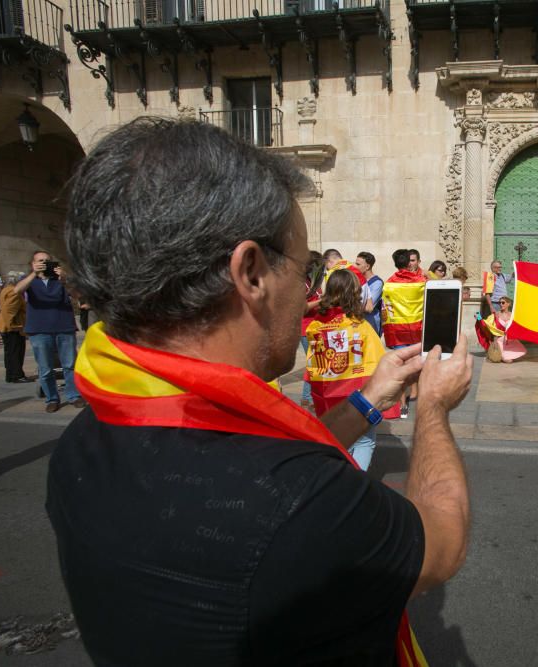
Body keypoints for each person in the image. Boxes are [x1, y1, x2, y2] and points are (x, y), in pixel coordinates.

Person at [48, 118, 473, 666]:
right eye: (304, 269)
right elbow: (443, 542)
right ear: (250, 273)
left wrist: (370, 397)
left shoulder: (86, 438)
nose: (311, 291)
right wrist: (434, 409)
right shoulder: (303, 503)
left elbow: (269, 453)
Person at [306, 269, 390, 470]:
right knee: (363, 441)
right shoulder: (360, 326)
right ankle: (354, 482)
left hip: (327, 397)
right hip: (356, 397)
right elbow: (379, 362)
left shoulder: (315, 326)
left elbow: (312, 364)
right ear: (354, 293)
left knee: (334, 440)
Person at [14, 251, 84, 412]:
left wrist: (65, 280)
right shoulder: (29, 281)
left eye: (47, 261)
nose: (44, 263)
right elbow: (16, 291)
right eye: (40, 261)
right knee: (45, 368)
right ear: (32, 263)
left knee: (70, 365)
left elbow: (78, 296)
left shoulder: (60, 280)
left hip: (64, 327)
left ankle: (74, 395)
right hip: (39, 330)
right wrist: (34, 274)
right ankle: (52, 398)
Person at [382, 248, 427, 419]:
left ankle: (403, 407)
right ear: (409, 262)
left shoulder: (389, 283)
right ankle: (419, 398)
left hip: (397, 331)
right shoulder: (421, 281)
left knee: (400, 368)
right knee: (417, 365)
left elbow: (385, 308)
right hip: (416, 330)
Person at [298, 250, 326, 411]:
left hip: (315, 327)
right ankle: (306, 398)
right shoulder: (302, 283)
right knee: (313, 364)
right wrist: (320, 301)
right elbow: (302, 308)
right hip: (306, 328)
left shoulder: (312, 281)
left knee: (315, 363)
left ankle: (309, 397)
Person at [0, 271, 31, 383]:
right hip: (13, 327)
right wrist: (13, 326)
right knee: (16, 352)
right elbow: (9, 310)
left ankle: (11, 375)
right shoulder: (13, 291)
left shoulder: (6, 289)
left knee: (10, 352)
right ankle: (17, 375)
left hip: (7, 326)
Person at [476, 296, 526, 363]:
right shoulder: (496, 314)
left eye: (503, 302)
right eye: (500, 303)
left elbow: (518, 326)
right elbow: (486, 324)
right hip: (499, 341)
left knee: (514, 357)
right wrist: (479, 317)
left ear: (508, 304)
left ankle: (504, 355)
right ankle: (500, 355)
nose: (501, 304)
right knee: (507, 360)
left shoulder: (512, 315)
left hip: (510, 341)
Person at [355, 250, 384, 335]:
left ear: (367, 266)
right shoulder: (356, 280)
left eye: (358, 264)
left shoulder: (377, 283)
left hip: (370, 325)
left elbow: (367, 307)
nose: (355, 267)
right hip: (357, 324)